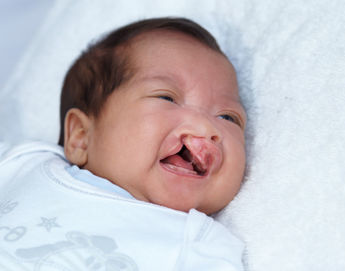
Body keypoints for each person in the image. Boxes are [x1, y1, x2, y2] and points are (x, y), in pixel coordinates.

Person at [0, 17, 246, 270]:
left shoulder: (199, 245)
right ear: (81, 137)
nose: (207, 128)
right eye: (166, 97)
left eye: (228, 117)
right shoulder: (24, 162)